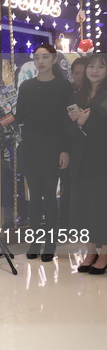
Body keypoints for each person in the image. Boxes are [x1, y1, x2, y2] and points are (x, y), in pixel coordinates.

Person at [15, 44, 71, 262]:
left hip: (53, 147)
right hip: (30, 146)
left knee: (49, 196)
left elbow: (67, 121)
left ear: (54, 59)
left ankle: (51, 242)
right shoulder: (27, 86)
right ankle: (35, 241)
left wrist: (65, 149)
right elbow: (20, 116)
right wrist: (1, 113)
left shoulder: (64, 87)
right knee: (34, 198)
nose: (40, 61)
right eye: (37, 57)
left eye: (45, 57)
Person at [67, 53, 107, 274]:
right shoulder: (78, 95)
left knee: (101, 205)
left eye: (101, 67)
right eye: (91, 66)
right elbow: (66, 127)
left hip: (101, 158)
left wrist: (85, 122)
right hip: (80, 158)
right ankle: (90, 251)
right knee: (84, 206)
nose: (94, 70)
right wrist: (78, 125)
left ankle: (104, 254)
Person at [59, 57, 89, 230]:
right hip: (73, 150)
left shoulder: (99, 95)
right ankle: (68, 227)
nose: (79, 77)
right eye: (76, 73)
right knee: (69, 189)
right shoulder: (70, 96)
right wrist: (64, 149)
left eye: (82, 72)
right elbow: (63, 126)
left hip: (94, 150)